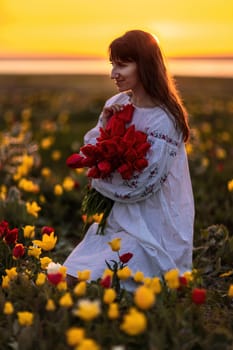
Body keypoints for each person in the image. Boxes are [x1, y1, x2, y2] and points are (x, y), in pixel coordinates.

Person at [64, 30, 194, 290]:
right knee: (69, 278)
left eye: (122, 65)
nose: (113, 73)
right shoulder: (118, 103)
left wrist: (98, 181)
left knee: (99, 284)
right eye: (113, 64)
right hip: (118, 220)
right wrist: (106, 123)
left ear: (145, 66)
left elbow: (143, 184)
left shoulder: (167, 119)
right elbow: (91, 148)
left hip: (154, 225)